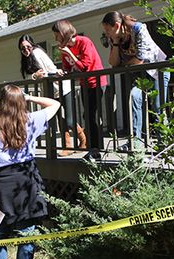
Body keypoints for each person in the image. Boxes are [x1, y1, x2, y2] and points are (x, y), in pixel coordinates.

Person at [0, 85, 60, 259]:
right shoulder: (30, 120)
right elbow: (55, 104)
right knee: (27, 234)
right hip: (26, 181)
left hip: (2, 184)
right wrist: (28, 97)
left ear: (1, 102)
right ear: (21, 102)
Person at [101, 11, 170, 151]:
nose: (106, 34)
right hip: (140, 75)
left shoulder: (138, 29)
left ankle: (164, 142)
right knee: (135, 97)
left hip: (158, 71)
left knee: (157, 107)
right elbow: (113, 62)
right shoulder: (114, 38)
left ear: (117, 25)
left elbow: (140, 58)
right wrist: (114, 43)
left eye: (108, 30)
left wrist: (125, 64)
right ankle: (136, 141)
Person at [52, 19, 109, 160]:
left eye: (56, 35)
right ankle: (93, 149)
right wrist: (62, 71)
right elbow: (68, 67)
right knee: (87, 116)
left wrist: (69, 53)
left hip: (96, 82)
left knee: (90, 115)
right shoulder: (65, 49)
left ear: (63, 33)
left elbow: (84, 66)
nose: (55, 39)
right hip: (84, 84)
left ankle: (95, 149)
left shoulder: (84, 42)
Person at [18, 34, 77, 157]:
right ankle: (68, 146)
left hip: (62, 87)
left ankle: (83, 140)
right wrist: (36, 76)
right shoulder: (26, 60)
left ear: (32, 45)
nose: (26, 50)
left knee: (70, 120)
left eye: (28, 46)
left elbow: (50, 68)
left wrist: (49, 73)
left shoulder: (38, 52)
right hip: (50, 91)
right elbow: (29, 76)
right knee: (60, 118)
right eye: (23, 48)